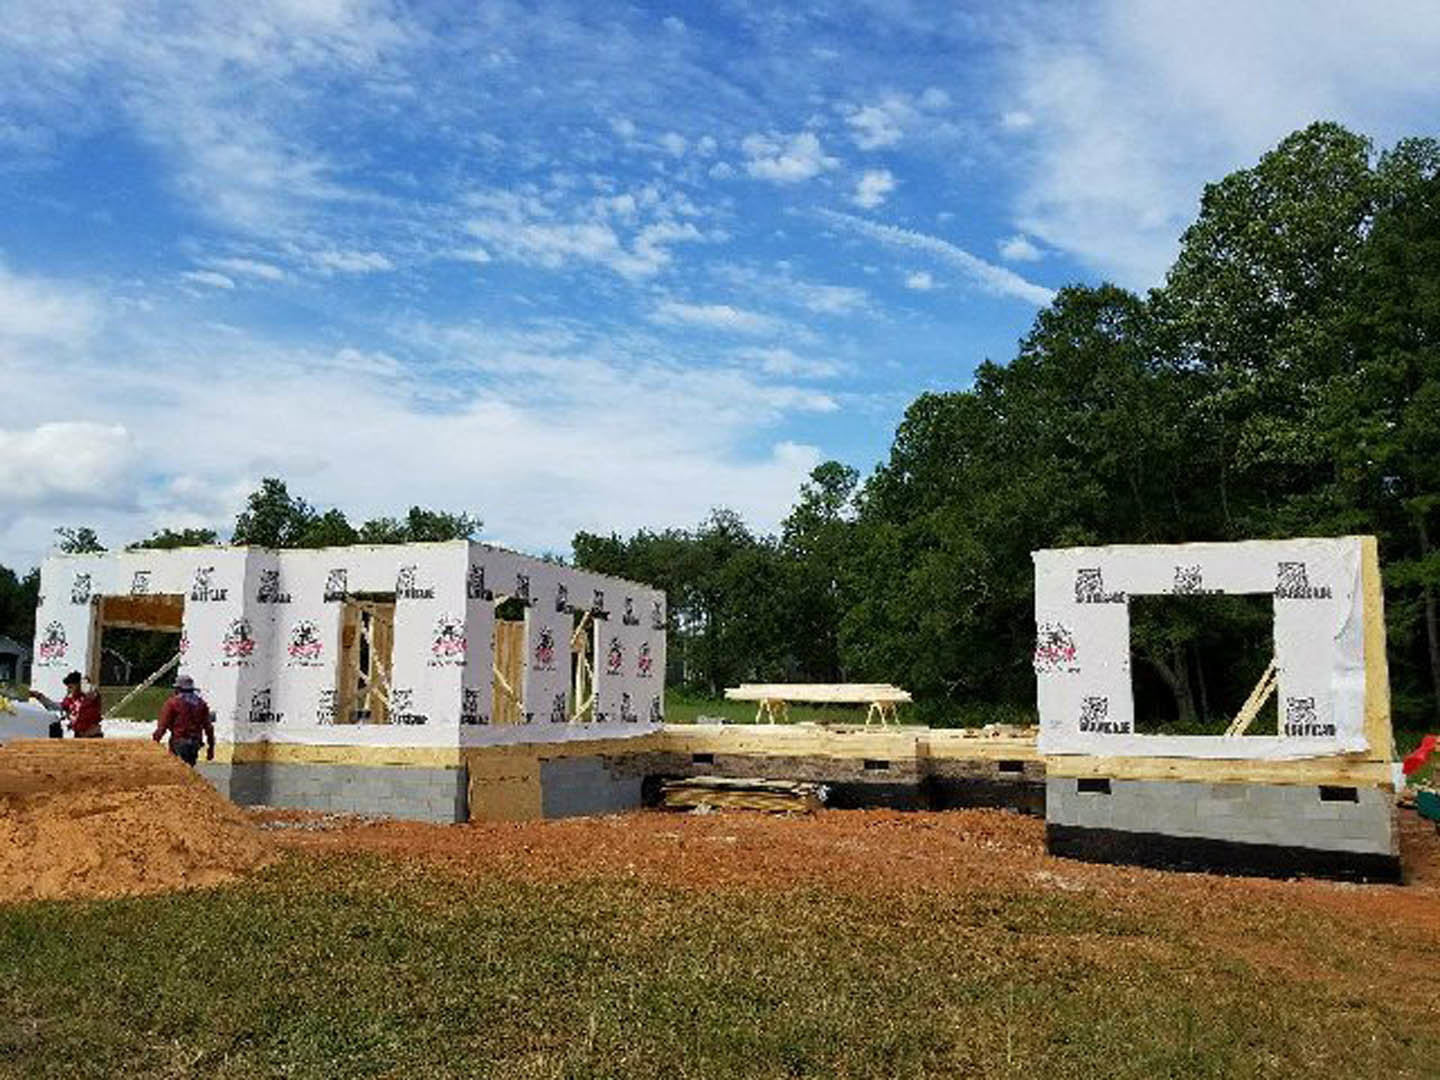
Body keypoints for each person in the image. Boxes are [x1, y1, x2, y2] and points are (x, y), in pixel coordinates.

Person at [153, 674, 214, 767]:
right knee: (190, 769)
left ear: (178, 689)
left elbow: (163, 725)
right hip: (195, 743)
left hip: (179, 741)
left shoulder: (173, 703)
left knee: (177, 770)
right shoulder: (201, 704)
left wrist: (155, 742)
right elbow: (208, 727)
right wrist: (211, 748)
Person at [29, 671, 103, 738]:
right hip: (79, 735)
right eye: (68, 687)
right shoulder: (70, 700)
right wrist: (39, 696)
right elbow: (54, 706)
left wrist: (83, 683)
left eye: (71, 686)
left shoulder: (91, 697)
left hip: (93, 735)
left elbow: (91, 691)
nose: (69, 689)